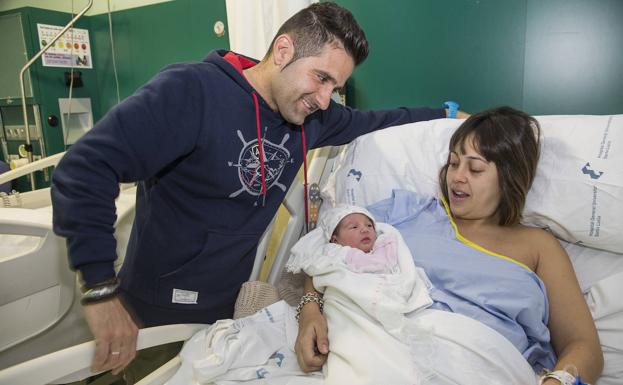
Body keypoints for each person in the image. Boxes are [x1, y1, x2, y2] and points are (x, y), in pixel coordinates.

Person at [50, 2, 464, 378]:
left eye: (333, 87)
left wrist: (447, 117)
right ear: (283, 50)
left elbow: (378, 120)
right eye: (321, 78)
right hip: (152, 314)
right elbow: (85, 168)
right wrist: (100, 291)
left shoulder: (312, 118)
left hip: (225, 315)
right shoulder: (192, 91)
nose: (325, 100)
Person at [296, 107, 604, 384]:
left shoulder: (539, 246)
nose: (457, 177)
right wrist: (310, 310)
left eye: (475, 169)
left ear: (510, 178)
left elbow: (583, 346)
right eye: (453, 163)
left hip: (482, 362)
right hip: (382, 347)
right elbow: (326, 254)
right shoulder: (407, 211)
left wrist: (559, 381)